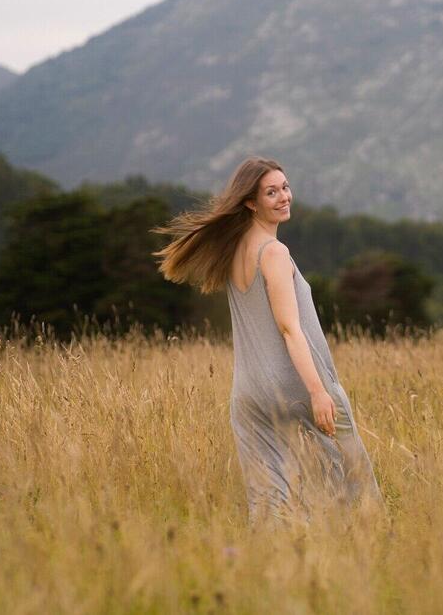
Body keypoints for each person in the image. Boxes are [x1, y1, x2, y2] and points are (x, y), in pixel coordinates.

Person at [153, 156, 384, 526]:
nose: (283, 197)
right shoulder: (274, 253)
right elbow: (289, 328)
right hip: (294, 386)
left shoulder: (233, 252)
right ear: (250, 202)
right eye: (271, 192)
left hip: (248, 393)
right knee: (351, 483)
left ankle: (271, 569)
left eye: (285, 188)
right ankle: (359, 556)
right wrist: (319, 391)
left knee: (269, 499)